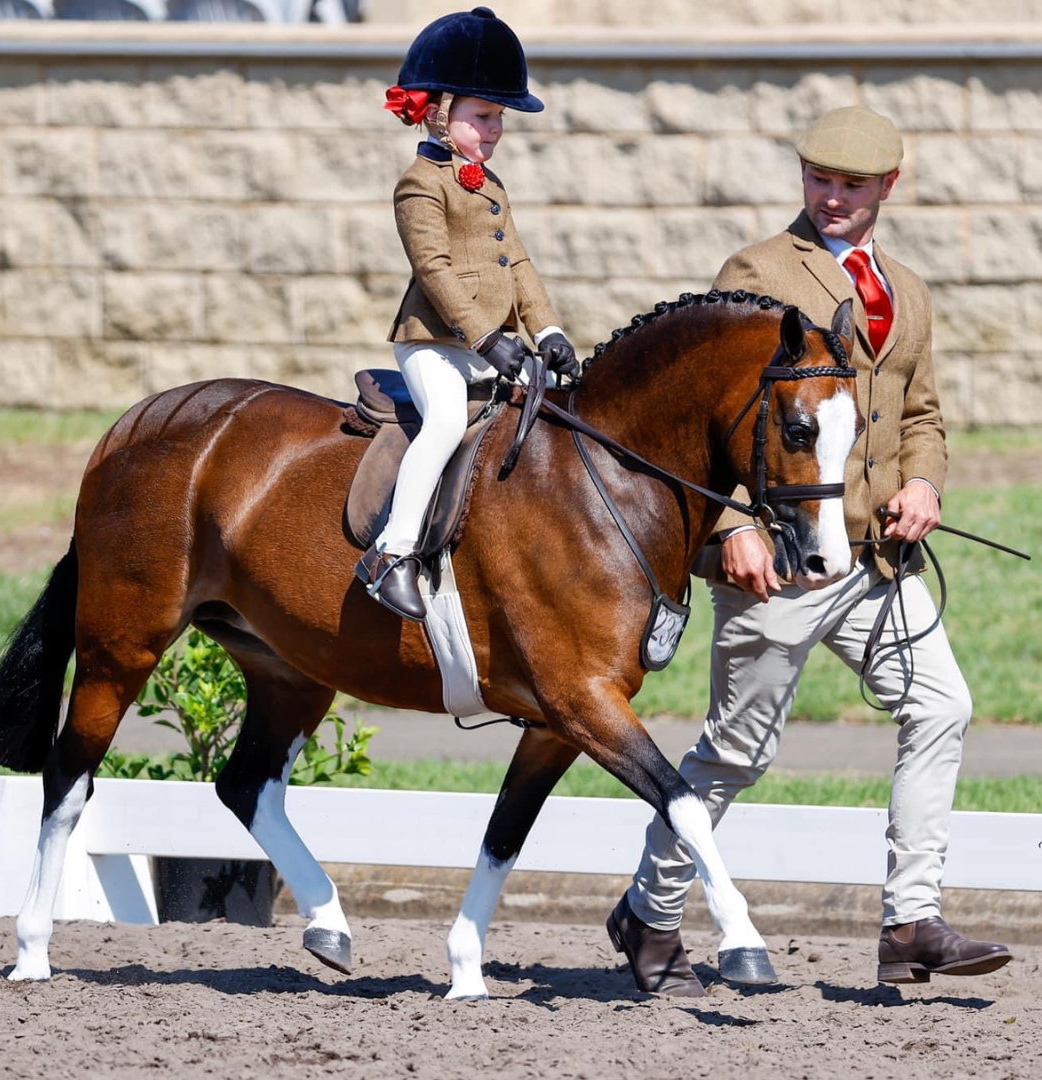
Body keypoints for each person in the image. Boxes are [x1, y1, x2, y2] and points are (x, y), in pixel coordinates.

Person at [609, 106, 1012, 996]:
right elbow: (698, 419)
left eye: (852, 185)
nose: (832, 198)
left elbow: (921, 415)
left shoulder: (908, 288)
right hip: (782, 558)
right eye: (819, 179)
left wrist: (925, 484)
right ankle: (650, 909)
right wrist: (729, 529)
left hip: (880, 559)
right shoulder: (754, 273)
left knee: (943, 705)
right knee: (738, 753)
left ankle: (911, 922)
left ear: (886, 190)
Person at [355, 7, 578, 622]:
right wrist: (485, 339)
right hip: (432, 344)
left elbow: (519, 265)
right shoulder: (419, 184)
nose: (495, 128)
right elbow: (436, 272)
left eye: (499, 118)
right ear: (438, 111)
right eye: (483, 116)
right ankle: (391, 553)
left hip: (491, 344)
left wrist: (550, 330)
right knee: (448, 419)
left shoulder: (489, 185)